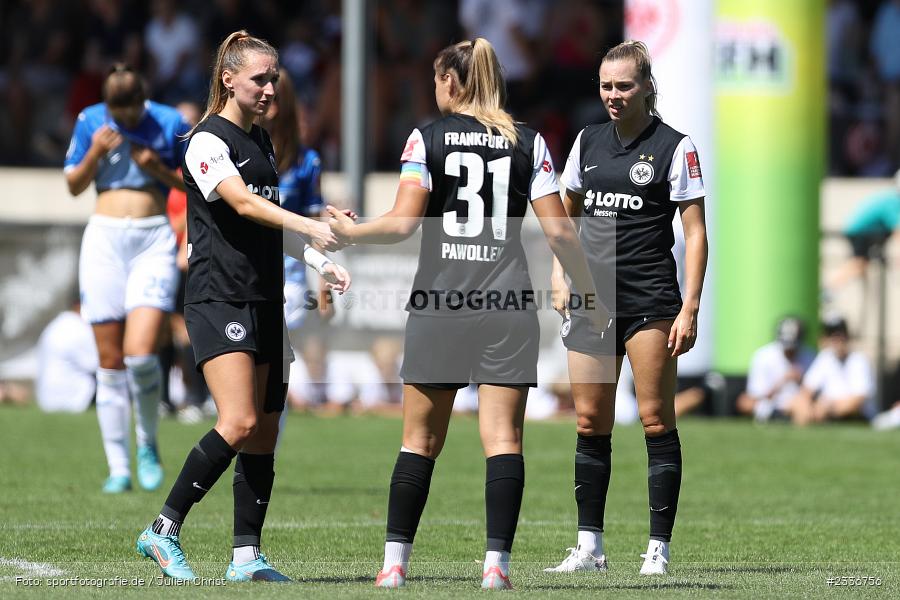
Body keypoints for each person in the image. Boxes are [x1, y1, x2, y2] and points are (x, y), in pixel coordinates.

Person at [328, 37, 604, 590]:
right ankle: (496, 567)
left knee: (418, 441)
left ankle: (394, 565)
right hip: (507, 302)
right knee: (503, 439)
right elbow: (559, 231)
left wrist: (349, 232)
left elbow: (404, 223)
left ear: (451, 82)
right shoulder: (529, 142)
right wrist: (590, 289)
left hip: (441, 302)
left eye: (436, 80)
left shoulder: (426, 137)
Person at [135, 30, 350, 583]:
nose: (269, 88)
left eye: (273, 78)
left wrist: (320, 262)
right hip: (219, 296)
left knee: (264, 430)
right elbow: (241, 203)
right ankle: (162, 530)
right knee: (238, 420)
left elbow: (268, 221)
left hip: (264, 300)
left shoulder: (262, 143)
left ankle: (245, 557)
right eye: (259, 78)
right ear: (228, 79)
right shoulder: (207, 140)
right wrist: (311, 223)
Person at [544, 41, 708, 576]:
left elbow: (696, 232)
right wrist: (559, 273)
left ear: (646, 87)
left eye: (624, 86)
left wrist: (689, 306)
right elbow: (562, 213)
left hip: (650, 300)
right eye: (606, 86)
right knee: (590, 421)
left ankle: (658, 547)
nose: (613, 96)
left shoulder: (674, 147)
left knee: (656, 420)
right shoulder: (588, 141)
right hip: (593, 302)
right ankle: (589, 547)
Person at [64, 64, 191, 493]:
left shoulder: (171, 121)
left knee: (140, 354)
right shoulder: (90, 120)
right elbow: (74, 186)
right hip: (103, 239)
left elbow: (195, 185)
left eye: (132, 113)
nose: (126, 122)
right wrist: (95, 152)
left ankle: (147, 443)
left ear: (143, 101)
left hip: (152, 238)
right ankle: (118, 465)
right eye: (118, 116)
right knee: (110, 360)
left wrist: (155, 168)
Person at [789, 315, 876, 426]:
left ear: (847, 336)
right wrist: (810, 409)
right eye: (831, 336)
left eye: (839, 335)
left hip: (857, 417)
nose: (836, 340)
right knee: (797, 404)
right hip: (826, 412)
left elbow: (857, 402)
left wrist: (829, 408)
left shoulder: (859, 361)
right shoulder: (825, 357)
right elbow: (806, 391)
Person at [825, 169, 900, 292]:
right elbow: (898, 230)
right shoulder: (894, 202)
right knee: (858, 263)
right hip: (861, 233)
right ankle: (827, 289)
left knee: (861, 265)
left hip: (862, 232)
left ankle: (829, 289)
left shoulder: (890, 198)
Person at [736, 316, 816, 422]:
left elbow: (816, 392)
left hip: (798, 402)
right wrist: (783, 381)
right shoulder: (763, 356)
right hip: (770, 402)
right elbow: (756, 395)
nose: (790, 352)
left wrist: (801, 380)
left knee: (803, 405)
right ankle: (776, 415)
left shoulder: (810, 356)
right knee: (745, 402)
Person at [36, 293, 99, 413]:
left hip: (47, 399)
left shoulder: (58, 324)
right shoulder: (78, 328)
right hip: (75, 399)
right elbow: (100, 364)